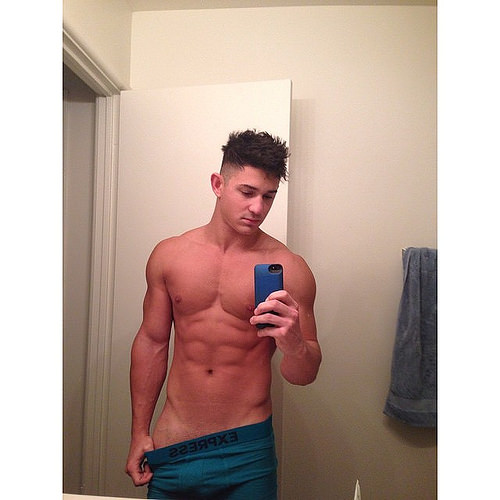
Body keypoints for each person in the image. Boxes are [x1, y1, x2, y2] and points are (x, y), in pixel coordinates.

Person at [125, 129, 322, 499]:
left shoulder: (290, 269)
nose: (258, 208)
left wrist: (295, 343)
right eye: (247, 192)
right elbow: (152, 344)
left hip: (247, 450)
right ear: (218, 184)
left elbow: (304, 375)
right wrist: (139, 432)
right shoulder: (170, 255)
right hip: (173, 444)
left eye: (268, 196)